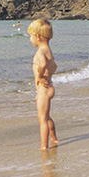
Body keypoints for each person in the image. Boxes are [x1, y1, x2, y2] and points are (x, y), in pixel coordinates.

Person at [27, 18, 59, 150]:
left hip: (43, 89)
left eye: (30, 36)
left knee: (42, 119)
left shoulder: (40, 52)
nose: (30, 39)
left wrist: (39, 77)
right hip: (49, 86)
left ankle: (44, 146)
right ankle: (54, 138)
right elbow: (54, 66)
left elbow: (43, 64)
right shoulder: (48, 51)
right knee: (46, 116)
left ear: (38, 37)